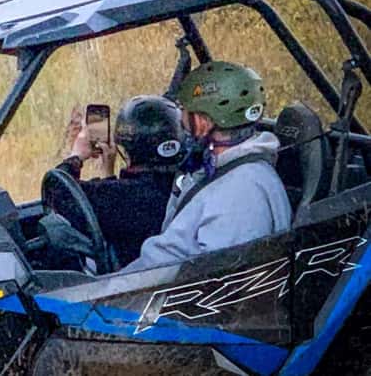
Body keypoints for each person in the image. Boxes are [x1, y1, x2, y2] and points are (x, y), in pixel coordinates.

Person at [123, 61, 292, 272]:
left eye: (183, 113)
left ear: (202, 123)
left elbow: (225, 287)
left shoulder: (241, 194)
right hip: (144, 283)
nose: (180, 124)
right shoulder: (220, 171)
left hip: (150, 296)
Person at [56, 95, 184, 266]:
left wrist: (76, 156)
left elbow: (57, 193)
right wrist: (108, 173)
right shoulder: (186, 184)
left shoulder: (116, 197)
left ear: (126, 146)